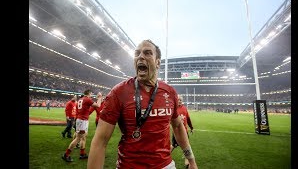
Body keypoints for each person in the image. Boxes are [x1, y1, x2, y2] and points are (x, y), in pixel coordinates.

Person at [87, 40, 198, 169]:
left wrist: (191, 160)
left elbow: (178, 127)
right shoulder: (119, 92)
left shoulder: (169, 92)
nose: (140, 56)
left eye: (147, 53)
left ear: (157, 62)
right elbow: (100, 141)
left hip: (165, 165)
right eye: (137, 53)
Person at [61, 90, 103, 162]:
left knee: (84, 137)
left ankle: (82, 154)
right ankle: (66, 155)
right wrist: (99, 97)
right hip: (82, 121)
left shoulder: (80, 100)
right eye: (91, 93)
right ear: (89, 93)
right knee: (78, 138)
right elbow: (98, 105)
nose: (91, 95)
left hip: (82, 120)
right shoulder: (87, 99)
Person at [170, 95, 194, 168]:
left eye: (180, 100)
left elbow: (188, 119)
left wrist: (191, 127)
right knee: (173, 145)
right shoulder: (174, 109)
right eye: (178, 100)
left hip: (185, 131)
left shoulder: (185, 109)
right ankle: (165, 155)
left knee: (187, 146)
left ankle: (187, 162)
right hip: (176, 132)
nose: (179, 101)